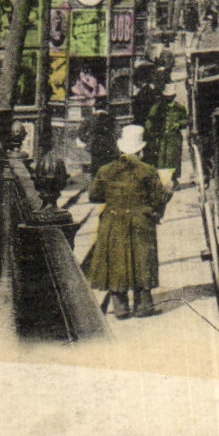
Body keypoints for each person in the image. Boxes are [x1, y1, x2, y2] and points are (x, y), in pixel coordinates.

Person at [83, 124, 172, 319]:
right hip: (141, 220)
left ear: (121, 148)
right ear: (141, 149)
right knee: (142, 259)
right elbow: (158, 199)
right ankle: (144, 306)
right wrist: (168, 190)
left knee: (117, 260)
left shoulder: (106, 170)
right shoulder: (148, 171)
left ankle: (121, 307)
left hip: (113, 220)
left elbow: (95, 196)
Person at [142, 88, 188, 190]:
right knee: (161, 159)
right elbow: (150, 120)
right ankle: (163, 181)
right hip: (162, 138)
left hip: (174, 138)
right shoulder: (158, 108)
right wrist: (150, 130)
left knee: (173, 159)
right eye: (167, 98)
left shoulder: (179, 108)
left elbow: (186, 119)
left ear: (174, 96)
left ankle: (174, 180)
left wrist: (179, 124)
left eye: (170, 97)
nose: (168, 99)